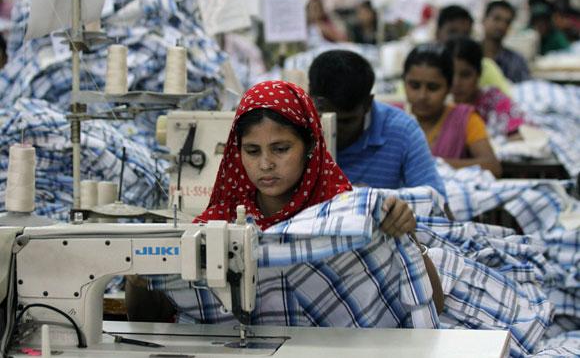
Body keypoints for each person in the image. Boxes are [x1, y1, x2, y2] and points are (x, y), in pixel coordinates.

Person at [129, 80, 444, 323]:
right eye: (252, 151)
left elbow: (431, 306)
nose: (265, 164)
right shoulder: (217, 223)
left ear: (310, 146)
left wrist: (409, 241)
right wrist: (137, 275)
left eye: (280, 149)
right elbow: (153, 318)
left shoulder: (350, 217)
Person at [307, 50, 447, 199]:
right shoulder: (296, 128)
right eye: (323, 117)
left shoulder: (402, 131)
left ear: (368, 103)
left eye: (345, 121)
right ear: (310, 97)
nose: (333, 129)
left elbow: (436, 201)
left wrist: (373, 198)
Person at [403, 44, 502, 178]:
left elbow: (492, 166)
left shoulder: (465, 119)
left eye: (433, 87)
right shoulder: (393, 117)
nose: (422, 96)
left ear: (449, 87)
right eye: (414, 86)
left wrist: (434, 164)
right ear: (404, 82)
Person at [447, 37, 524, 137]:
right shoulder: (440, 105)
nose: (456, 83)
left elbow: (519, 137)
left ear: (479, 74)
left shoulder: (495, 102)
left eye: (465, 75)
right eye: (450, 74)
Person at [436, 5, 512, 96]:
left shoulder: (486, 67)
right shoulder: (426, 67)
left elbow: (507, 99)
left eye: (465, 34)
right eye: (452, 32)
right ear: (437, 33)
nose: (459, 38)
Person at [482, 0, 530, 83]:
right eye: (497, 19)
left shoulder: (516, 61)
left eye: (507, 22)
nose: (501, 26)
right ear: (484, 20)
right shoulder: (468, 55)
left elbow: (524, 89)